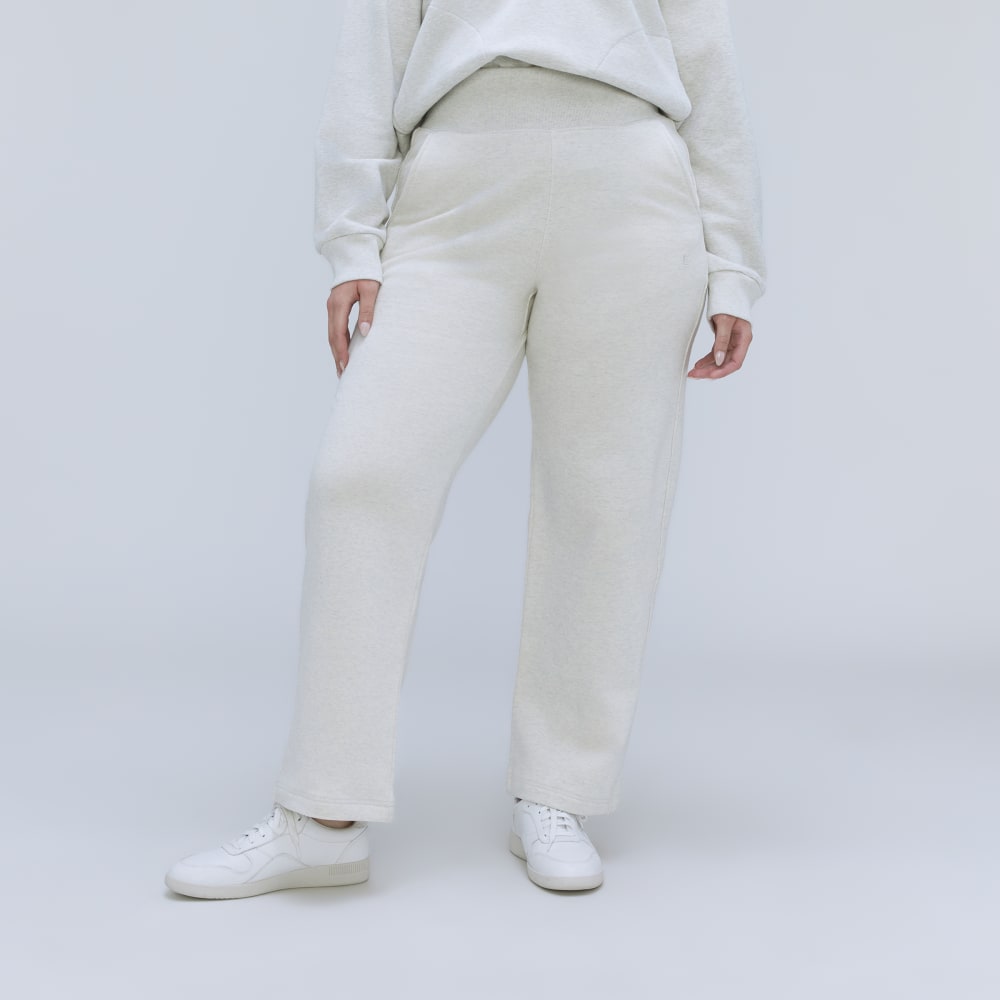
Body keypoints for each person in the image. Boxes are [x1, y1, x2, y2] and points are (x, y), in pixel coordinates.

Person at [164, 0, 766, 899]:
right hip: (454, 186)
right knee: (361, 479)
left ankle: (558, 791)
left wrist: (735, 267)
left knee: (604, 504)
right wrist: (352, 242)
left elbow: (707, 65)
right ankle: (324, 815)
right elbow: (371, 55)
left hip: (632, 188)